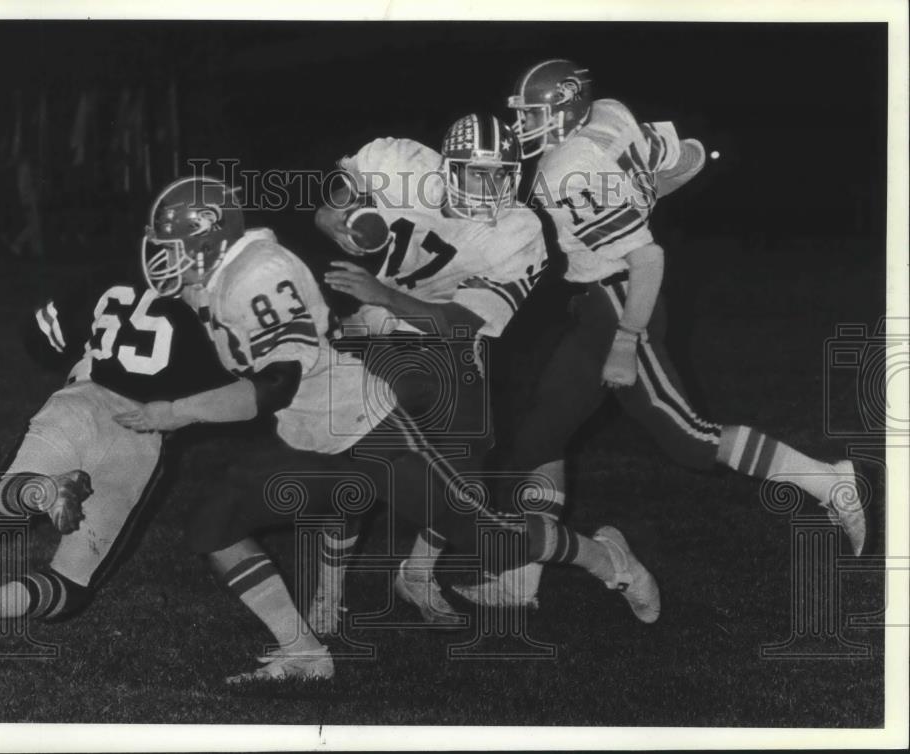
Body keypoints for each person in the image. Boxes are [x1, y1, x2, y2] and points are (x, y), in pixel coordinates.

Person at [119, 176, 660, 680]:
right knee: (214, 526)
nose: (161, 259)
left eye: (170, 247)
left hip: (372, 432)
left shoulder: (259, 274)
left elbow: (274, 384)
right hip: (311, 437)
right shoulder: (217, 276)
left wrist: (175, 413)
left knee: (487, 540)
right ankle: (304, 650)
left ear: (209, 240)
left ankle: (609, 560)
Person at [455, 59, 866, 609]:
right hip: (596, 303)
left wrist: (627, 340)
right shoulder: (609, 114)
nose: (526, 124)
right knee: (537, 438)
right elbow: (690, 155)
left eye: (534, 113)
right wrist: (642, 192)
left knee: (690, 440)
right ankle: (520, 581)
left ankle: (829, 481)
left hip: (621, 302)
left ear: (565, 106)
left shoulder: (564, 168)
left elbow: (648, 256)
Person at [313, 114, 548, 623]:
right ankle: (327, 596)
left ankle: (417, 576)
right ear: (447, 168)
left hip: (452, 338)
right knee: (358, 465)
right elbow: (340, 195)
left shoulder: (519, 231)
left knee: (464, 471)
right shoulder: (400, 163)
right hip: (373, 327)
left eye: (502, 175)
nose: (492, 189)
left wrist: (383, 293)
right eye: (477, 174)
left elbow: (457, 323)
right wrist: (331, 214)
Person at [0, 256, 237, 654]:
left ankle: (43, 490)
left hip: (79, 402)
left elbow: (40, 332)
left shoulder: (113, 275)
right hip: (141, 437)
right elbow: (236, 394)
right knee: (71, 586)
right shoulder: (223, 297)